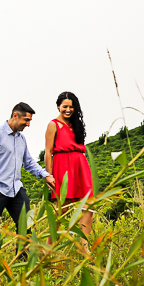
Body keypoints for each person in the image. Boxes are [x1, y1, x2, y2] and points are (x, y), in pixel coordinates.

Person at [0, 102, 56, 258]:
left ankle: (23, 262)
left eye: (30, 120)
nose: (28, 124)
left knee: (25, 226)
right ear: (15, 115)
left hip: (16, 189)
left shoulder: (21, 139)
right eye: (26, 120)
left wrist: (44, 174)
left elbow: (29, 162)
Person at [43, 91, 94, 237]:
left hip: (80, 165)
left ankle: (84, 246)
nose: (68, 110)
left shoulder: (76, 125)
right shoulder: (53, 125)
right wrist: (49, 175)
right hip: (62, 166)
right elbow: (48, 152)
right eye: (65, 106)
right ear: (58, 106)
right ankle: (50, 247)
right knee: (62, 209)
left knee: (88, 206)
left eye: (71, 107)